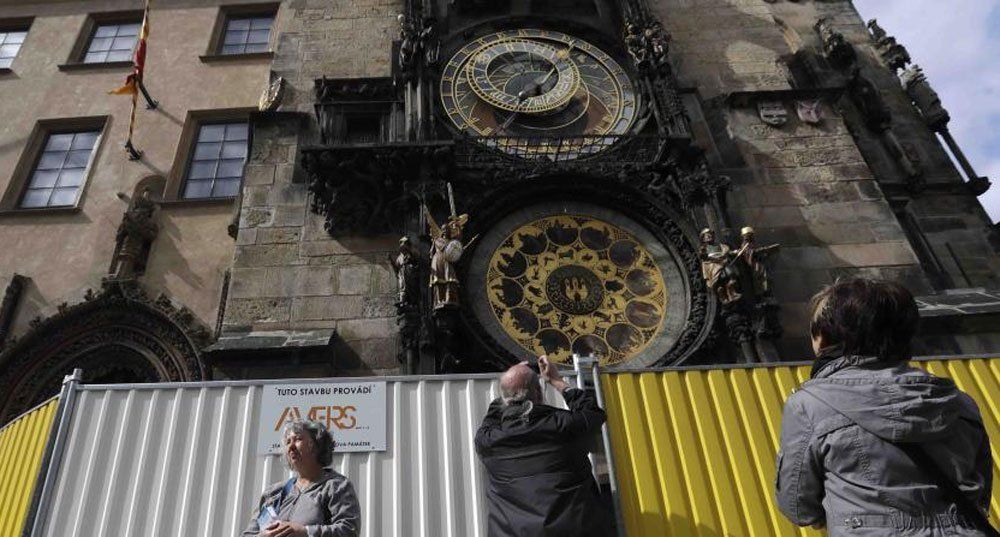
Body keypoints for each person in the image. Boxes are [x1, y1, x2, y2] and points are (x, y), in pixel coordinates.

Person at [776, 279, 994, 536]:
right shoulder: (960, 403)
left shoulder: (810, 405)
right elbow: (980, 495)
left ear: (823, 337)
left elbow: (798, 508)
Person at [475, 355, 614, 537]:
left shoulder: (489, 442)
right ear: (539, 393)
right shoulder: (564, 426)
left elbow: (491, 419)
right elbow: (592, 412)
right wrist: (557, 381)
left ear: (505, 399)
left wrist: (509, 389)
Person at [242, 420, 360, 537]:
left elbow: (349, 530)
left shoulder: (337, 486)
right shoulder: (273, 493)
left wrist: (306, 532)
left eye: (298, 439)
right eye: (288, 442)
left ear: (317, 445)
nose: (291, 446)